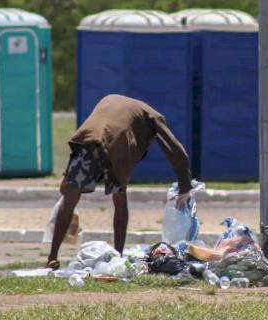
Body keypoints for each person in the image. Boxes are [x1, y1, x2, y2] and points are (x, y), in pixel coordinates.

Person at [46, 94, 192, 270]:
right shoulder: (154, 117)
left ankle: (52, 258)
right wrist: (185, 186)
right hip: (118, 144)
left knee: (70, 197)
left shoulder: (110, 98)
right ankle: (118, 256)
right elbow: (176, 150)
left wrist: (68, 180)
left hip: (88, 139)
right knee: (120, 200)